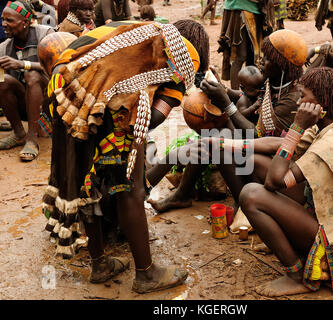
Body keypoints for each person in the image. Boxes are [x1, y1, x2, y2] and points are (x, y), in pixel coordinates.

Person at [41, 19, 209, 293]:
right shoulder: (184, 56)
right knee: (129, 187)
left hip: (63, 89)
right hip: (104, 105)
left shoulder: (136, 28)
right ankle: (146, 274)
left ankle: (100, 264)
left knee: (87, 181)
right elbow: (151, 119)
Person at [239, 66, 333, 299]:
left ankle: (296, 274)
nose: (299, 102)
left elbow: (273, 182)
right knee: (256, 163)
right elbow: (276, 149)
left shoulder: (330, 144)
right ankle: (283, 241)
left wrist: (297, 127)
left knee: (251, 195)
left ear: (320, 104)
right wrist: (226, 145)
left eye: (303, 96)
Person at [147, 29, 307, 213]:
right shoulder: (274, 81)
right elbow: (250, 95)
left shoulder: (293, 98)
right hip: (261, 148)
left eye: (268, 59)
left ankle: (243, 203)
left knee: (219, 144)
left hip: (277, 164)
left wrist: (226, 103)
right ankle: (183, 194)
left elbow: (258, 136)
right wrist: (224, 90)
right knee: (214, 136)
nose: (261, 61)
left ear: (282, 66)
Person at [0, 1, 54, 161]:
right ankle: (18, 133)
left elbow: (57, 67)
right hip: (25, 104)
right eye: (3, 19)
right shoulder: (4, 47)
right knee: (2, 80)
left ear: (25, 22)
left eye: (9, 20)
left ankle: (32, 139)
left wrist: (24, 64)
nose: (4, 24)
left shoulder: (45, 35)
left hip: (48, 104)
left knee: (32, 75)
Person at [218, 0, 275, 89]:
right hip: (240, 9)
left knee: (253, 56)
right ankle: (236, 95)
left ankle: (250, 94)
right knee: (239, 56)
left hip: (256, 11)